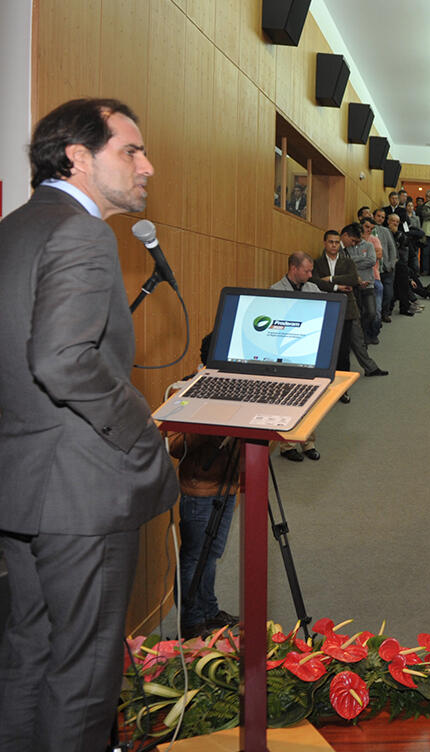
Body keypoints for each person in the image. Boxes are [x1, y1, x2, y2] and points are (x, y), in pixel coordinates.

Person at [0, 98, 179, 751]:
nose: (147, 166)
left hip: (23, 488)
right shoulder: (81, 233)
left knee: (29, 660)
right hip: (82, 492)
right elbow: (62, 359)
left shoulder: (15, 228)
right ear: (77, 157)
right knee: (82, 681)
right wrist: (142, 426)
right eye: (131, 150)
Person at [168, 431, 240, 639]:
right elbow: (175, 446)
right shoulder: (180, 397)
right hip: (199, 490)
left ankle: (209, 611)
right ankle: (191, 621)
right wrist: (210, 422)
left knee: (211, 555)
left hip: (227, 483)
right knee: (194, 557)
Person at [312, 228, 386, 383]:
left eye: (337, 242)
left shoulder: (347, 261)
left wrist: (330, 278)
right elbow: (315, 282)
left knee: (357, 339)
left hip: (348, 306)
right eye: (331, 242)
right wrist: (337, 286)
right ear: (325, 243)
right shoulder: (317, 263)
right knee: (335, 345)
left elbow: (352, 279)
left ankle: (370, 368)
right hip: (328, 306)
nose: (334, 245)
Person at [271, 252, 322, 460]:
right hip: (286, 354)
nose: (310, 275)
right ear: (294, 268)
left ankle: (308, 442)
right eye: (307, 271)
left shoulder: (313, 289)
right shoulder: (275, 291)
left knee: (311, 398)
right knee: (287, 399)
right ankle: (287, 445)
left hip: (309, 351)